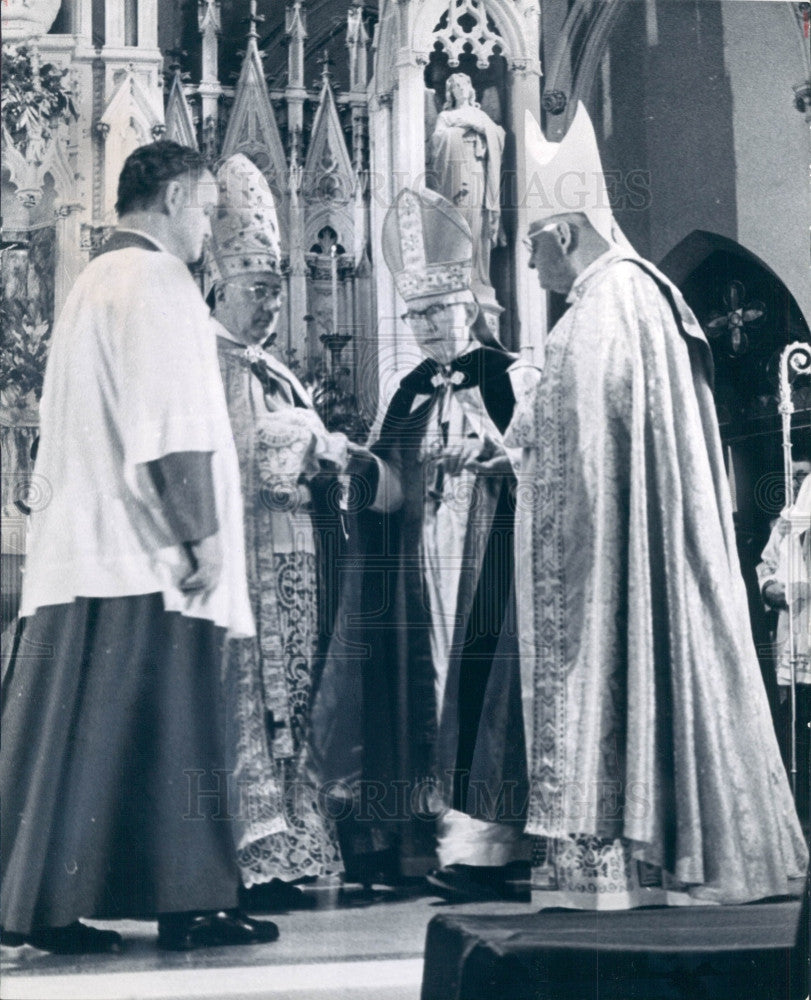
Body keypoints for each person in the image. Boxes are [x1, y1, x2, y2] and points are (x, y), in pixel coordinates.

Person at [507, 104, 808, 908]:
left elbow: (587, 474)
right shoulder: (641, 301)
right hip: (642, 557)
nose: (533, 270)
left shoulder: (603, 314)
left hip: (609, 571)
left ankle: (626, 860)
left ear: (564, 234)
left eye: (534, 247)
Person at [0, 141, 279, 952]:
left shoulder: (95, 278)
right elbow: (171, 427)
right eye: (205, 210)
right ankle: (190, 903)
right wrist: (199, 537)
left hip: (90, 553)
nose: (207, 227)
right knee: (180, 737)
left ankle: (52, 905)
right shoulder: (157, 281)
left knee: (83, 744)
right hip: (148, 558)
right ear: (176, 197)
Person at [311, 187, 540, 901]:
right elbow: (386, 480)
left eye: (438, 313)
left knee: (476, 684)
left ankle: (487, 843)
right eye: (415, 316)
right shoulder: (406, 388)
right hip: (416, 565)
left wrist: (492, 458)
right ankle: (411, 842)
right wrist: (363, 465)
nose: (429, 329)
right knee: (421, 680)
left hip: (488, 560)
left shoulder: (510, 375)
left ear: (467, 305)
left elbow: (540, 460)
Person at [206, 153, 345, 905]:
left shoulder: (277, 370)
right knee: (250, 706)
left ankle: (290, 844)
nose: (268, 309)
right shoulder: (200, 360)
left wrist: (320, 453)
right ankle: (243, 853)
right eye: (257, 292)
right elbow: (221, 455)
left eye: (275, 292)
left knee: (295, 698)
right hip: (239, 564)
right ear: (221, 285)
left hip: (295, 560)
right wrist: (293, 445)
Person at [757, 450, 811, 823]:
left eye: (803, 475)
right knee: (795, 724)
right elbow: (766, 567)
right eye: (791, 476)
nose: (796, 482)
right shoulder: (783, 525)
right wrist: (769, 589)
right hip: (793, 635)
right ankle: (801, 812)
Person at [428, 73, 505, 293]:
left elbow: (499, 137)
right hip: (453, 175)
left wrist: (477, 126)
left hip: (476, 172)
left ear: (470, 89)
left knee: (476, 223)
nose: (460, 90)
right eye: (455, 88)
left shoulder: (479, 115)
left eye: (463, 86)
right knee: (456, 221)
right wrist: (458, 131)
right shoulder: (445, 116)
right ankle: (456, 277)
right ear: (450, 93)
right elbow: (436, 145)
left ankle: (477, 277)